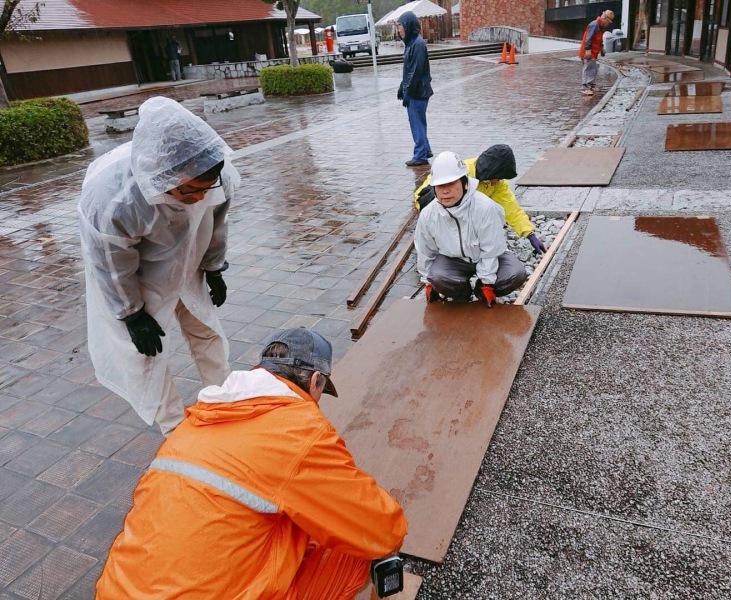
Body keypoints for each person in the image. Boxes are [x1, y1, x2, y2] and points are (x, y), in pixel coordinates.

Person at [95, 327, 407, 600]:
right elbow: (382, 528)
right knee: (362, 548)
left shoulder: (198, 420)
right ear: (315, 382)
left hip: (118, 590)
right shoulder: (300, 432)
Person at [78, 96, 240, 435]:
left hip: (188, 251)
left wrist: (213, 267)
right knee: (146, 351)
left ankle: (225, 402)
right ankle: (175, 428)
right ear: (168, 176)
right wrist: (131, 313)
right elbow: (111, 264)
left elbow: (217, 220)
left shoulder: (217, 175)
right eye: (191, 191)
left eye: (205, 188)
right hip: (132, 271)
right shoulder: (114, 201)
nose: (200, 197)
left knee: (203, 323)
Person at [414, 151, 528, 307]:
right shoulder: (429, 214)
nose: (445, 191)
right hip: (453, 258)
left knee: (515, 275)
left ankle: (481, 288)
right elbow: (425, 250)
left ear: (464, 183)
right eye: (440, 185)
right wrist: (428, 281)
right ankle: (463, 293)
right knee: (437, 277)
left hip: (487, 256)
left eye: (451, 184)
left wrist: (487, 282)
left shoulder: (485, 208)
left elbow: (491, 248)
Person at [413, 144, 547, 254]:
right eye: (499, 177)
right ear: (492, 170)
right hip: (444, 214)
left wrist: (529, 234)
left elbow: (511, 208)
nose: (499, 180)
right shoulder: (461, 171)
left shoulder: (496, 184)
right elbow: (421, 196)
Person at [396, 12, 433, 167]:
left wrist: (408, 92)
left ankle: (420, 155)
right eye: (397, 27)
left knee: (416, 123)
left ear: (408, 26)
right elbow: (408, 70)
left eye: (400, 27)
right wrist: (401, 87)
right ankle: (425, 150)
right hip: (415, 90)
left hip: (418, 92)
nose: (398, 30)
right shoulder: (411, 43)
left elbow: (416, 71)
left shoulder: (417, 44)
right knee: (419, 123)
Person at [579, 9, 614, 96]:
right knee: (588, 69)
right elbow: (588, 38)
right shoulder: (594, 25)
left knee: (593, 69)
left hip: (593, 52)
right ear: (605, 19)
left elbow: (599, 39)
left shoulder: (600, 26)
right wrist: (587, 50)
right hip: (588, 52)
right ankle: (585, 87)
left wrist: (601, 49)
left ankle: (591, 86)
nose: (608, 24)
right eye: (608, 22)